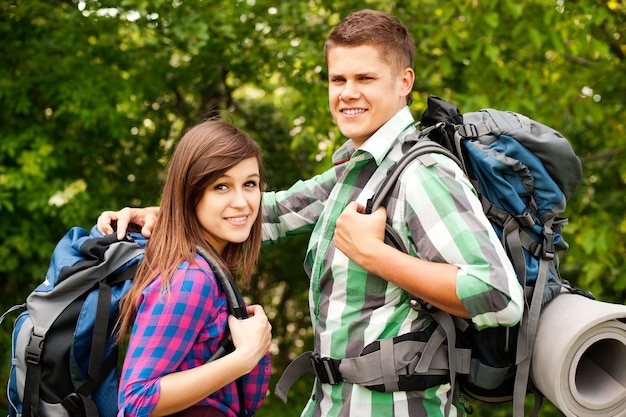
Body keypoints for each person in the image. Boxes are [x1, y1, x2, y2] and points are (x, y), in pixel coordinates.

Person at [99, 9, 524, 417]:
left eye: (365, 78)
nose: (347, 92)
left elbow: (498, 295)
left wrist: (374, 255)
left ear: (403, 82)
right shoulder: (358, 169)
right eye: (338, 78)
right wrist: (166, 213)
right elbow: (270, 212)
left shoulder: (422, 174)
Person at [114, 120, 272, 417]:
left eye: (250, 184)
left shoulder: (210, 269)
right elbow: (136, 401)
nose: (242, 202)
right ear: (190, 194)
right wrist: (245, 356)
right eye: (221, 186)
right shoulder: (191, 277)